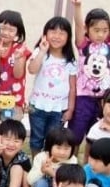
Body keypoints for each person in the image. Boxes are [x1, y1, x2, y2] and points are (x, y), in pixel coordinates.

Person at [68, 0, 110, 143]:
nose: (101, 34)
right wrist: (77, 7)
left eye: (104, 30)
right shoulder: (84, 46)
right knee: (75, 135)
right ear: (87, 29)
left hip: (104, 98)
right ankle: (73, 162)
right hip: (83, 98)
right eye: (96, 30)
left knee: (95, 136)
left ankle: (89, 165)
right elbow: (77, 25)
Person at [26, 16, 77, 155]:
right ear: (45, 34)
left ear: (68, 37)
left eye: (62, 33)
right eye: (53, 32)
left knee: (53, 140)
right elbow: (32, 70)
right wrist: (42, 51)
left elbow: (73, 87)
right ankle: (36, 163)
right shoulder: (40, 53)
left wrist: (70, 109)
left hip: (58, 109)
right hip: (37, 106)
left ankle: (49, 166)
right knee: (36, 139)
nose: (57, 36)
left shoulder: (70, 61)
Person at [0, 10, 30, 137]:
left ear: (18, 32)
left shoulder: (20, 49)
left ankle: (8, 155)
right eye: (2, 28)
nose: (6, 33)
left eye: (11, 30)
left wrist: (18, 58)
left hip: (14, 99)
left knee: (10, 131)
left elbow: (18, 75)